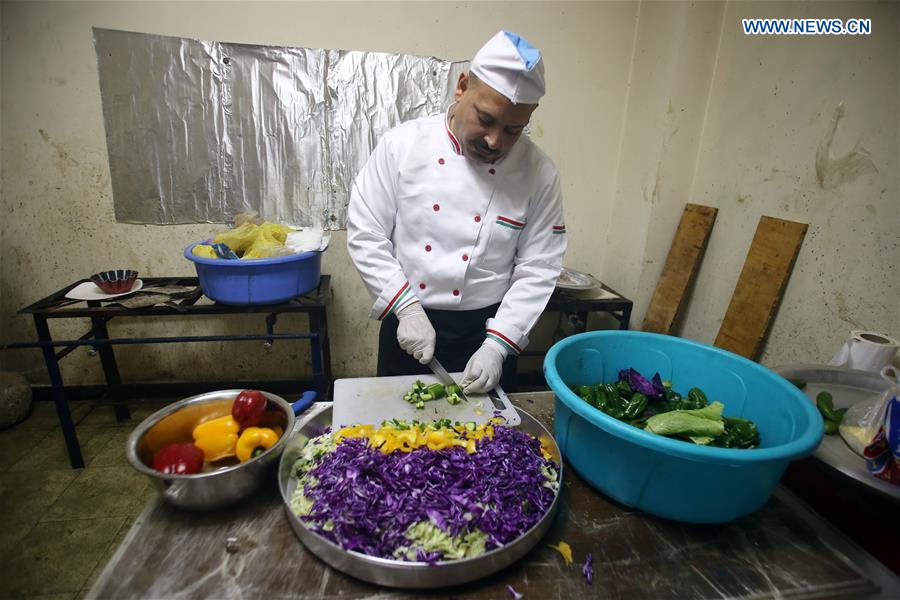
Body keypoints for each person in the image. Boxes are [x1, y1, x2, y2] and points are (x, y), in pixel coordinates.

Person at [347, 30, 566, 393]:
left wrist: (498, 346)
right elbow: (366, 232)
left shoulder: (539, 173)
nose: (495, 141)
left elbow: (539, 266)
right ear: (462, 87)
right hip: (409, 323)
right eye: (486, 119)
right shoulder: (402, 146)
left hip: (488, 333)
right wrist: (406, 309)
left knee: (489, 431)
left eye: (513, 129)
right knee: (396, 426)